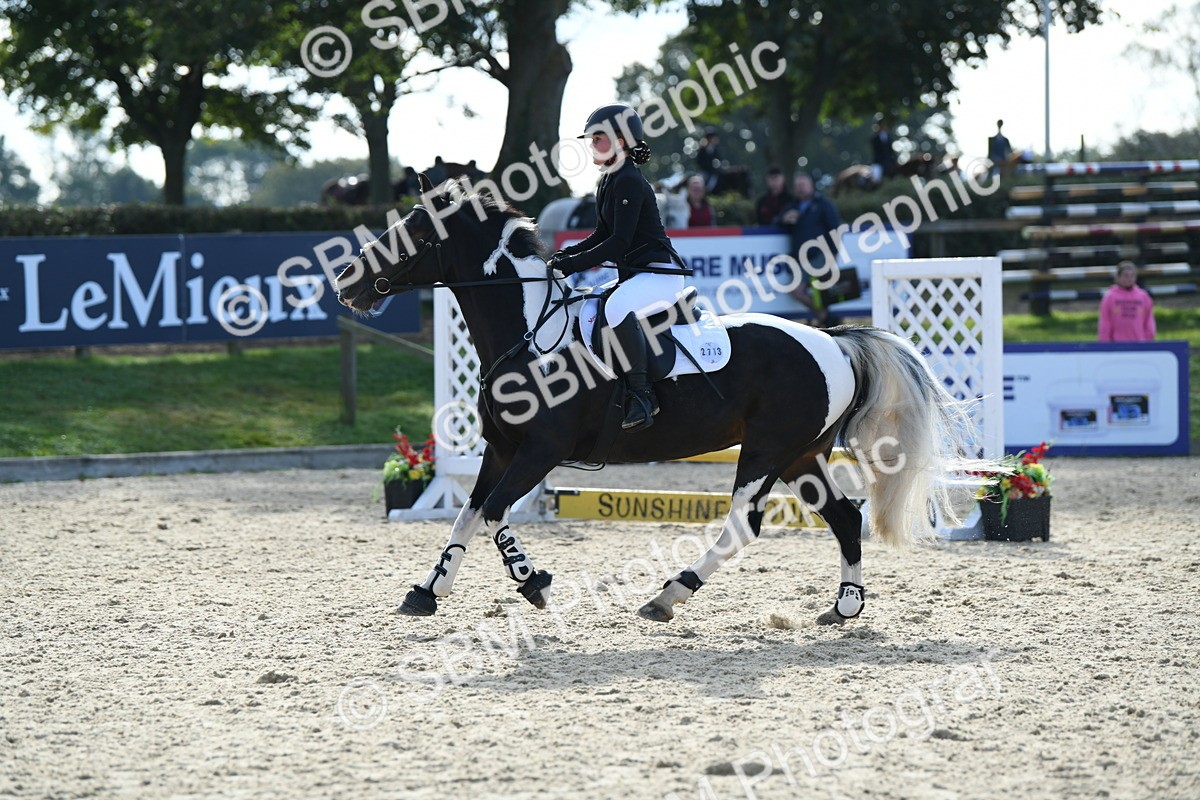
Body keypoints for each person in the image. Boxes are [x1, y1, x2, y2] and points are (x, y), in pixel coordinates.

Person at [547, 104, 693, 432]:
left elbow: (619, 242)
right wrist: (566, 254)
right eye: (592, 138)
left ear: (622, 141)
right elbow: (601, 233)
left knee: (615, 308)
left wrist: (572, 265)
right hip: (639, 275)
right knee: (591, 306)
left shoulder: (628, 179)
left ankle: (643, 397)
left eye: (599, 138)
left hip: (658, 275)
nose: (592, 144)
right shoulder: (608, 180)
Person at [776, 171, 843, 328]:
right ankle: (826, 318)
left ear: (811, 185)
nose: (800, 189)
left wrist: (833, 253)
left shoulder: (823, 204)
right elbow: (776, 220)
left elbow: (836, 230)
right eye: (797, 186)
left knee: (800, 290)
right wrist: (784, 219)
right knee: (806, 292)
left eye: (803, 185)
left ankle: (824, 318)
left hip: (819, 255)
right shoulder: (793, 205)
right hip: (799, 258)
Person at [1098, 261, 1156, 342]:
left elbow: (1149, 322)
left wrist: (1148, 341)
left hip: (1139, 343)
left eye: (1132, 276)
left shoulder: (1143, 296)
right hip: (1117, 344)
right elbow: (1105, 323)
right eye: (1126, 276)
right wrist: (1105, 343)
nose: (1129, 279)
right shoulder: (1110, 297)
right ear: (1118, 277)